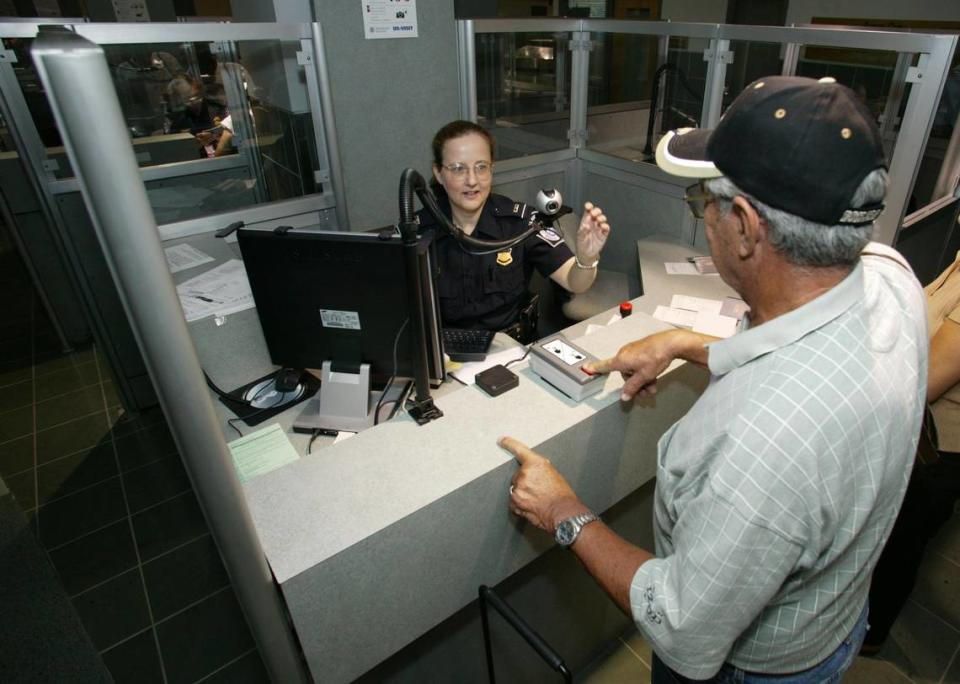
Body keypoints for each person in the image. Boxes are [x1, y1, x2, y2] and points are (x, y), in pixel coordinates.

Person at [499, 76, 928, 682]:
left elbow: (681, 624)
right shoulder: (890, 276)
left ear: (748, 227)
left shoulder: (762, 443)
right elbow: (807, 353)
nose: (703, 218)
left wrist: (562, 510)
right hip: (835, 622)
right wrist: (688, 345)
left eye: (704, 203)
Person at [416, 120, 611, 341]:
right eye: (458, 169)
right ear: (439, 173)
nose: (472, 180)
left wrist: (586, 258)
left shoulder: (520, 222)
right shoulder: (418, 230)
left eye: (481, 167)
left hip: (509, 348)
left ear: (491, 169)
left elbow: (575, 282)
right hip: (444, 355)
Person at [862, 250, 960, 654]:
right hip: (920, 433)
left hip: (938, 448)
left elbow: (926, 380)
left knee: (902, 541)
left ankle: (871, 635)